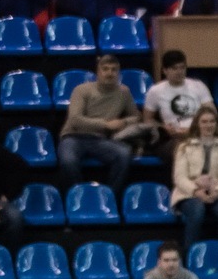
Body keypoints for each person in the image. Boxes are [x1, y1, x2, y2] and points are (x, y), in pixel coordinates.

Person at [56, 54, 150, 194]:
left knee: (124, 154)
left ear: (118, 73)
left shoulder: (123, 92)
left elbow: (136, 117)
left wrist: (123, 121)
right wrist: (105, 124)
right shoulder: (81, 90)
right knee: (68, 161)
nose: (109, 73)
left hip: (101, 140)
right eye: (105, 69)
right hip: (73, 137)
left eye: (114, 70)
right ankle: (78, 196)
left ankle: (108, 196)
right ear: (98, 72)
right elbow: (75, 119)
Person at [171, 106, 218, 250]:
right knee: (197, 209)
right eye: (204, 122)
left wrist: (217, 192)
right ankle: (190, 254)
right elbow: (179, 177)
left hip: (216, 191)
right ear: (197, 124)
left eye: (212, 121)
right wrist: (196, 191)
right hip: (189, 193)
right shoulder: (184, 146)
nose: (208, 125)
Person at [144, 48, 215, 169]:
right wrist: (163, 127)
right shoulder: (155, 91)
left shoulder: (198, 86)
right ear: (165, 70)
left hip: (200, 133)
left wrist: (194, 130)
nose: (179, 72)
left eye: (182, 68)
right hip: (173, 139)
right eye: (174, 68)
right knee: (183, 150)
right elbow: (147, 120)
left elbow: (212, 114)